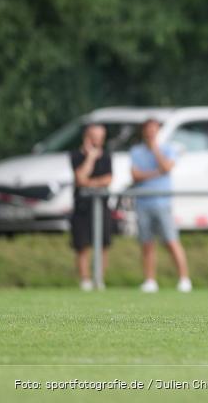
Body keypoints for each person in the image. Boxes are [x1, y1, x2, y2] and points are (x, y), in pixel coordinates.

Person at [130, 118, 191, 293]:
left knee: (171, 241)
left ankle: (184, 279)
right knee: (147, 243)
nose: (150, 132)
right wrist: (157, 173)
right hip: (143, 203)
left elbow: (166, 167)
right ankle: (150, 281)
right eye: (148, 129)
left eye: (154, 129)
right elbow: (135, 176)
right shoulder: (136, 151)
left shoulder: (167, 149)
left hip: (162, 202)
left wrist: (155, 149)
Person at [70, 123, 113, 291]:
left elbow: (108, 180)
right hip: (82, 208)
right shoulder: (76, 155)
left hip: (102, 207)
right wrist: (91, 157)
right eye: (95, 137)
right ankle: (85, 281)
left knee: (103, 245)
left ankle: (99, 279)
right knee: (82, 246)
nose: (98, 141)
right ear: (87, 137)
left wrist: (89, 183)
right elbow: (80, 178)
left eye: (100, 137)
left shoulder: (107, 156)